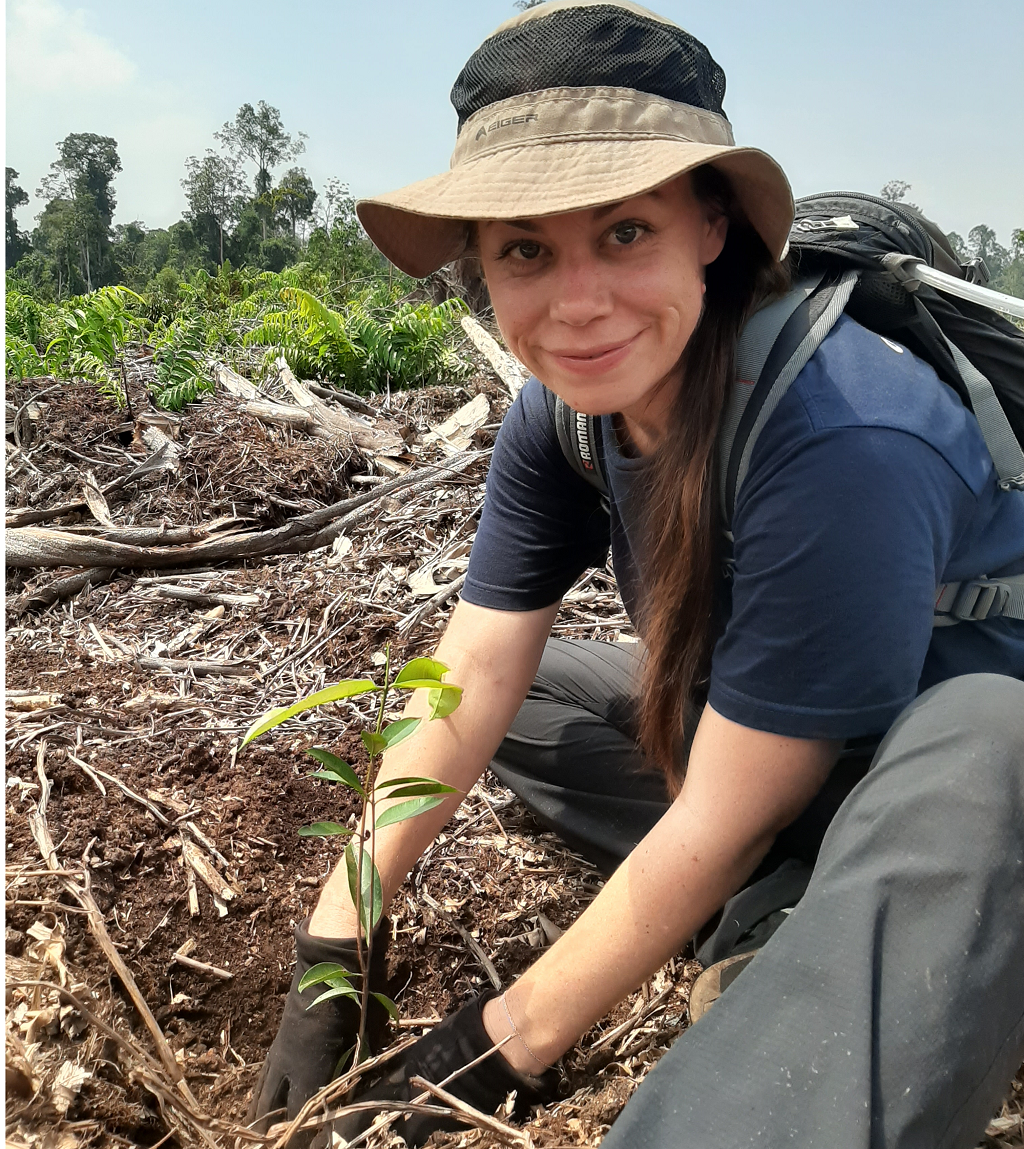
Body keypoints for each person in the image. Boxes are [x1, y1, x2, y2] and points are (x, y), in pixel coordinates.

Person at [248, 2, 1024, 1145]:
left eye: (623, 233)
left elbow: (727, 805)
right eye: (525, 249)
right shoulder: (559, 419)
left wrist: (494, 1043)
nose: (577, 304)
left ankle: (842, 949)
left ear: (709, 227)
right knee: (530, 694)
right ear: (480, 270)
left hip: (942, 779)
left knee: (994, 740)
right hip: (786, 745)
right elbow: (474, 662)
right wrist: (337, 941)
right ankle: (804, 901)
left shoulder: (846, 432)